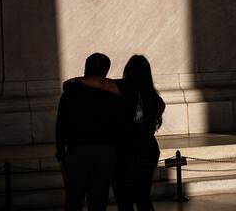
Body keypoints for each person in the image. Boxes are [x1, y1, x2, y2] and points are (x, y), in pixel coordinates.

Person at [67, 55, 165, 211]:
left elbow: (101, 83)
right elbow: (154, 118)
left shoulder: (123, 87)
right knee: (143, 197)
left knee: (124, 198)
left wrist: (75, 80)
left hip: (126, 152)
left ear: (128, 71)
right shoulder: (157, 100)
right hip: (148, 150)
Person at [55, 52, 123, 211]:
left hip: (76, 151)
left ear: (86, 68)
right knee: (98, 202)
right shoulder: (113, 93)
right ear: (106, 71)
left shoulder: (71, 91)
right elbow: (119, 124)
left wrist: (61, 152)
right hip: (105, 152)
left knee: (73, 200)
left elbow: (61, 124)